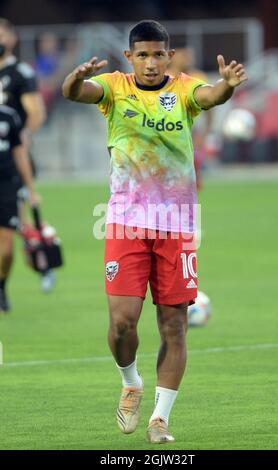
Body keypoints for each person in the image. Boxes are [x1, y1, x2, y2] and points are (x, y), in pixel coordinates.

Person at [62, 20, 247, 443]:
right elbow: (77, 94)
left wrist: (227, 86)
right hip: (126, 222)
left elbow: (211, 95)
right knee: (123, 323)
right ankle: (130, 382)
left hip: (177, 226)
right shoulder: (114, 87)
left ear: (169, 56)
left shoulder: (183, 89)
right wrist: (75, 79)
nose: (149, 63)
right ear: (130, 57)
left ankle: (160, 418)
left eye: (157, 54)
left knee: (174, 326)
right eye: (142, 55)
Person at [0, 18, 55, 293]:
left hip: (10, 159)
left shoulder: (20, 73)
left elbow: (36, 113)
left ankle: (41, 264)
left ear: (11, 39)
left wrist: (21, 140)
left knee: (16, 224)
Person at [0, 104, 39, 313]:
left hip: (6, 187)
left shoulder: (9, 116)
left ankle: (2, 286)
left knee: (6, 252)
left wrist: (31, 190)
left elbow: (20, 154)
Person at [168, 47, 213, 189]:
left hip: (191, 132)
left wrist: (205, 134)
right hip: (166, 133)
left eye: (189, 56)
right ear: (173, 57)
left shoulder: (199, 78)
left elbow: (210, 108)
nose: (187, 59)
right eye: (183, 55)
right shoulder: (163, 78)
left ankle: (186, 206)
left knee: (190, 180)